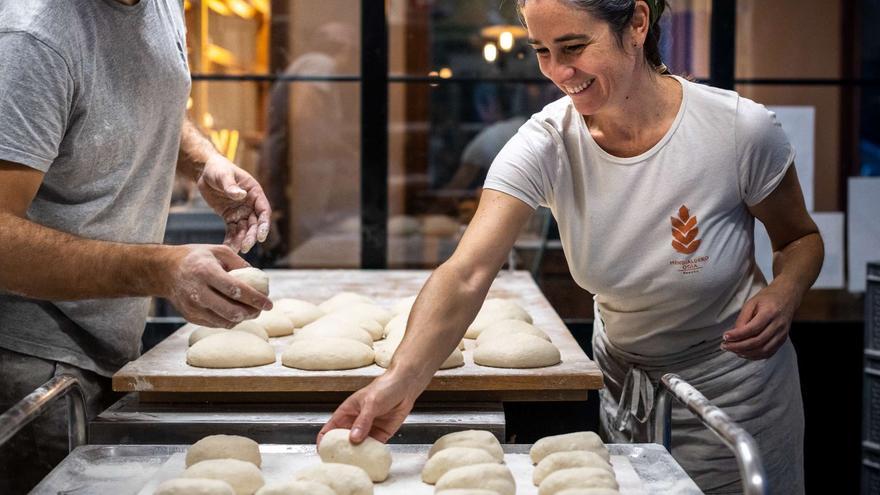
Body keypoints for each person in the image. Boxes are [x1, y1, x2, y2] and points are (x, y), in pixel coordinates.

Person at [320, 1, 823, 493]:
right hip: (627, 387)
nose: (559, 71)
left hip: (735, 396)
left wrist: (785, 291)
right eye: (541, 50)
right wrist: (401, 380)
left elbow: (799, 239)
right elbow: (468, 272)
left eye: (574, 46)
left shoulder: (737, 131)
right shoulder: (547, 142)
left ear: (638, 23)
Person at [0, 0, 273, 492]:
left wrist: (203, 162)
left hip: (109, 344)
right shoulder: (30, 42)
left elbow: (146, 89)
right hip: (32, 366)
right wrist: (158, 269)